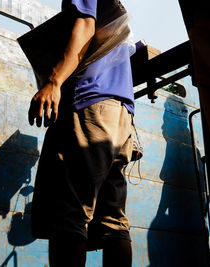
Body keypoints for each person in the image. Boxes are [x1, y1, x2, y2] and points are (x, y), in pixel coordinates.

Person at [27, 0, 135, 266]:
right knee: (114, 220)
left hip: (89, 104)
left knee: (69, 214)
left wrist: (54, 81)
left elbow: (85, 25)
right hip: (121, 116)